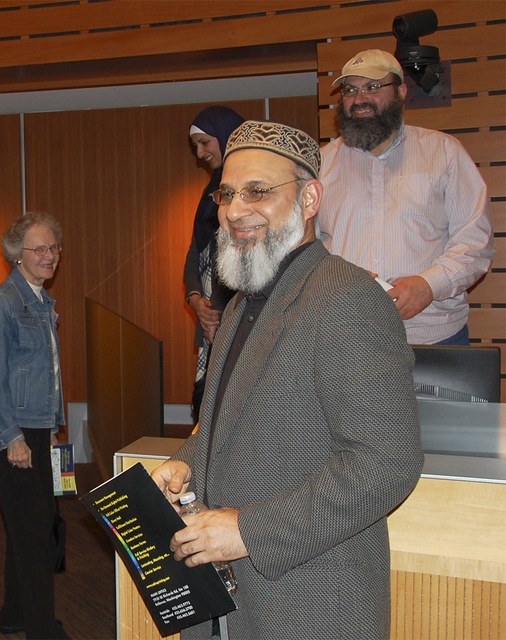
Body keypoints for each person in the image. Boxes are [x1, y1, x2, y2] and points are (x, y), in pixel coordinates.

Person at [152, 120, 424, 639]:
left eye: (258, 192)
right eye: (227, 193)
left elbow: (388, 462)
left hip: (307, 604)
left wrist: (249, 531)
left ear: (310, 198)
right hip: (235, 601)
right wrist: (184, 464)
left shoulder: (346, 298)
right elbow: (230, 424)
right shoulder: (242, 302)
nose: (234, 210)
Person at [318, 49, 494, 346]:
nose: (359, 98)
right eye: (350, 89)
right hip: (346, 335)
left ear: (401, 91)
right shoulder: (320, 164)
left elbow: (474, 241)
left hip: (434, 337)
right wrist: (337, 275)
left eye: (373, 87)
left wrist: (429, 285)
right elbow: (306, 246)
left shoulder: (444, 152)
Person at [0, 213, 69, 639]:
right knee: (34, 534)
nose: (49, 256)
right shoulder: (4, 304)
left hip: (34, 427)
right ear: (17, 255)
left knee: (28, 525)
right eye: (39, 249)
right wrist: (13, 438)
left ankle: (13, 614)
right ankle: (41, 628)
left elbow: (45, 372)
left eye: (53, 247)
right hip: (9, 431)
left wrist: (50, 427)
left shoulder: (40, 300)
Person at [184, 105, 245, 423]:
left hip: (240, 325)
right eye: (195, 145)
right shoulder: (211, 193)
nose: (200, 152)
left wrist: (220, 313)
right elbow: (196, 254)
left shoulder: (250, 194)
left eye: (205, 142)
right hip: (210, 325)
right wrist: (197, 302)